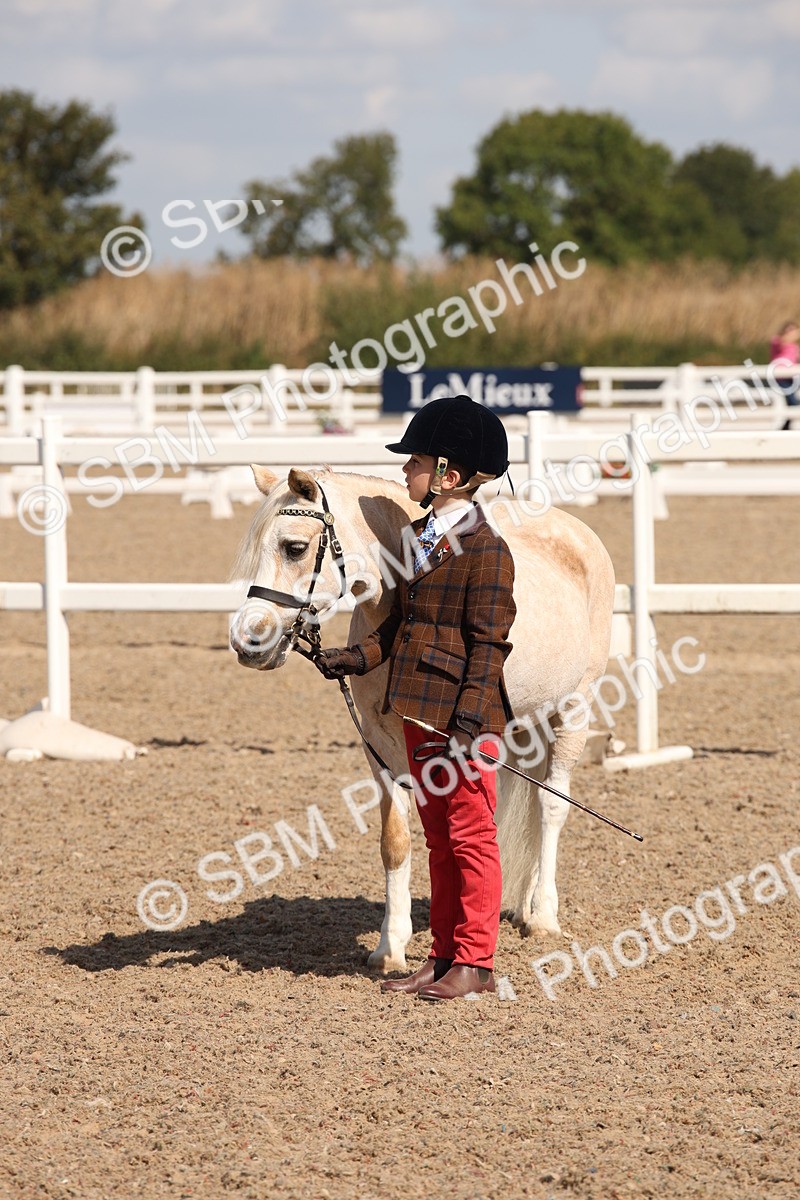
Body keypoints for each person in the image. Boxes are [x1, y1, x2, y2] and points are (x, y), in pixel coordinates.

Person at [315, 395, 516, 1001]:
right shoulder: (419, 540)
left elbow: (490, 644)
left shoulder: (487, 551)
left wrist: (471, 718)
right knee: (437, 834)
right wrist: (348, 659)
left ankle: (475, 962)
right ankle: (443, 954)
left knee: (471, 835)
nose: (406, 472)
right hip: (417, 708)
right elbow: (397, 629)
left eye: (417, 462)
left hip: (463, 717)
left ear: (450, 475)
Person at [769, 320, 799, 430]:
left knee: (792, 403)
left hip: (792, 376)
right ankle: (786, 426)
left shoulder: (794, 346)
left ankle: (786, 426)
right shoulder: (776, 341)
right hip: (781, 376)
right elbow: (783, 342)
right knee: (792, 401)